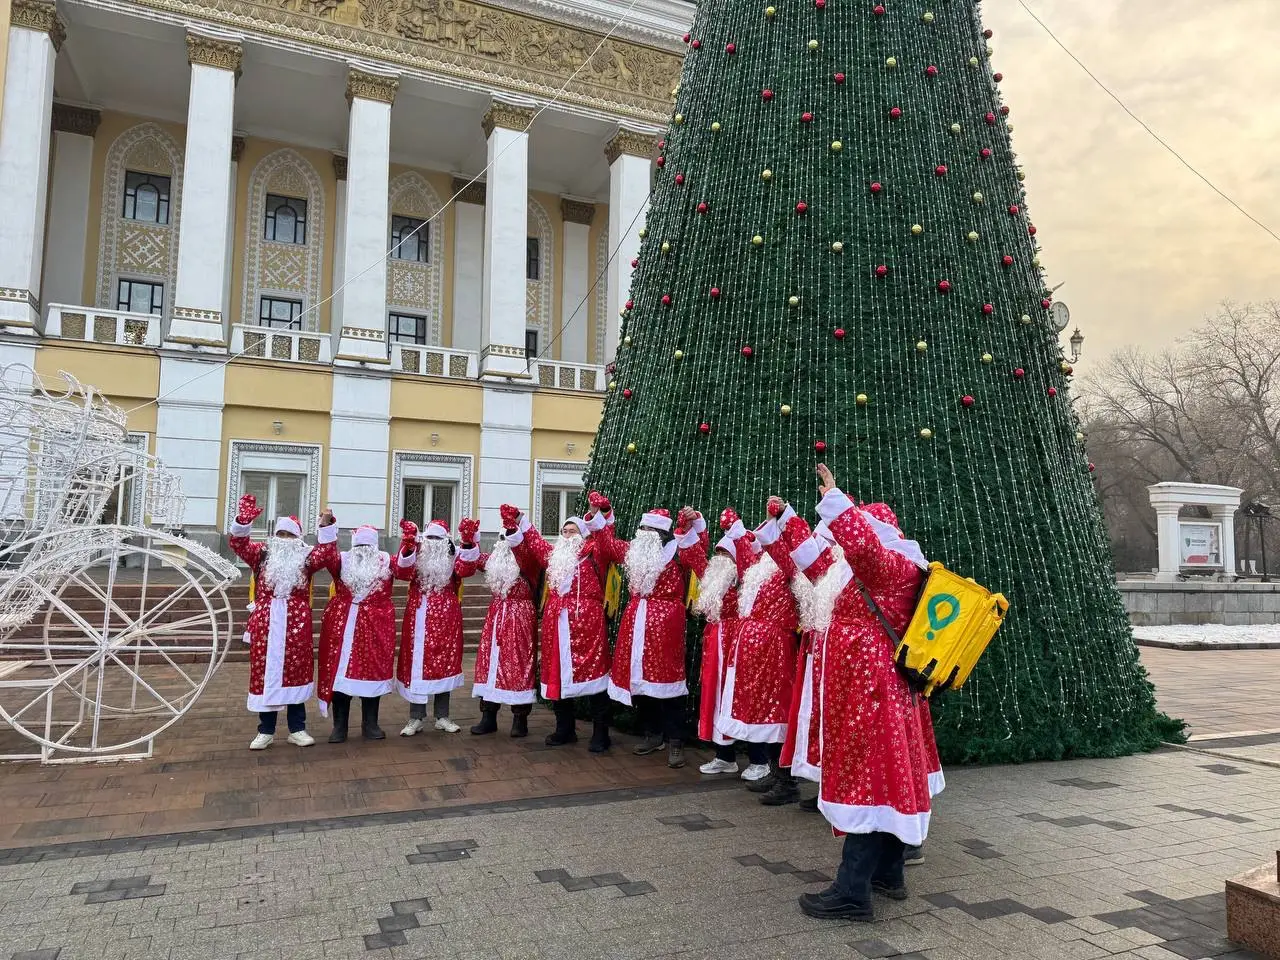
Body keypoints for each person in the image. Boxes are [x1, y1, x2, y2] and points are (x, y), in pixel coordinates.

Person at [788, 464, 936, 921]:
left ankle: (852, 892)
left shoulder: (889, 565)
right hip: (878, 692)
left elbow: (863, 548)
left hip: (872, 693)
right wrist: (789, 525)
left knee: (867, 782)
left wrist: (836, 499)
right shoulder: (893, 568)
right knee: (885, 780)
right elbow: (817, 567)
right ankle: (889, 874)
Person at [590, 493, 703, 769]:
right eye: (642, 529)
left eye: (649, 530)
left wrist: (691, 523)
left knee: (668, 683)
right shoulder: (632, 552)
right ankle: (653, 734)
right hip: (636, 622)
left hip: (666, 625)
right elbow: (605, 545)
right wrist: (604, 512)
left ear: (661, 533)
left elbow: (700, 555)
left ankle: (676, 741)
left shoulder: (676, 551)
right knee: (639, 681)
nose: (643, 533)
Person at [227, 495, 338, 750]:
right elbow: (238, 544)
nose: (284, 539)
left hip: (296, 623)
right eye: (281, 534)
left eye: (289, 535)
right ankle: (265, 730)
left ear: (297, 538)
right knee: (266, 673)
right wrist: (243, 521)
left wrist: (326, 524)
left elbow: (327, 552)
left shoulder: (306, 558)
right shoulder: (261, 554)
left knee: (295, 672)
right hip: (266, 621)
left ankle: (297, 728)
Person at [509, 509, 613, 753]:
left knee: (594, 675)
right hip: (557, 624)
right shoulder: (554, 556)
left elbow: (606, 537)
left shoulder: (595, 553)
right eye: (564, 532)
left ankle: (601, 733)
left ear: (584, 534)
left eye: (572, 531)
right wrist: (521, 521)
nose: (567, 536)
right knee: (558, 672)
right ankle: (564, 728)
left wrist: (602, 514)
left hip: (586, 624)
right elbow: (535, 544)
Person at [723, 500, 801, 804]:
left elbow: (787, 554)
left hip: (776, 651)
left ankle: (787, 781)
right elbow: (745, 555)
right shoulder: (760, 567)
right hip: (756, 651)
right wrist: (734, 528)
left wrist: (778, 519)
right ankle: (774, 771)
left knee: (777, 712)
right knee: (764, 713)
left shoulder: (788, 564)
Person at [688, 509, 770, 780]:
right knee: (716, 699)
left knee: (746, 699)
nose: (721, 559)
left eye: (726, 555)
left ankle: (759, 760)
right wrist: (692, 523)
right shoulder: (714, 577)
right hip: (717, 645)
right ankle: (724, 756)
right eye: (719, 554)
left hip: (740, 645)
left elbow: (748, 562)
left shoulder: (747, 580)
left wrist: (737, 536)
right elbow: (693, 555)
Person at [393, 517, 480, 736]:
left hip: (446, 618)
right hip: (419, 616)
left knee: (444, 664)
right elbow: (401, 572)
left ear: (446, 540)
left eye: (437, 538)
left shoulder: (454, 557)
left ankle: (443, 716)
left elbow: (467, 569)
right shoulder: (416, 556)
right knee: (417, 665)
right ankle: (416, 718)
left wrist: (468, 542)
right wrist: (408, 545)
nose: (432, 542)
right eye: (429, 537)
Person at [316, 524, 396, 743]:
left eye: (367, 544)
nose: (363, 549)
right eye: (359, 544)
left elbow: (407, 570)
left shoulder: (387, 561)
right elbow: (326, 556)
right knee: (340, 675)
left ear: (375, 545)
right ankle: (339, 726)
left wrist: (409, 543)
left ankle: (370, 724)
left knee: (372, 672)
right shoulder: (342, 560)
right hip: (343, 625)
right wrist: (326, 528)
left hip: (375, 626)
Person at [469, 504, 539, 737]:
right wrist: (469, 540)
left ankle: (520, 718)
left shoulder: (527, 559)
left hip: (520, 617)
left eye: (509, 537)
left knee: (518, 664)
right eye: (502, 538)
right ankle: (488, 715)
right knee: (490, 663)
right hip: (497, 615)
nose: (505, 543)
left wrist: (515, 527)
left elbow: (523, 554)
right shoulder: (496, 559)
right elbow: (477, 560)